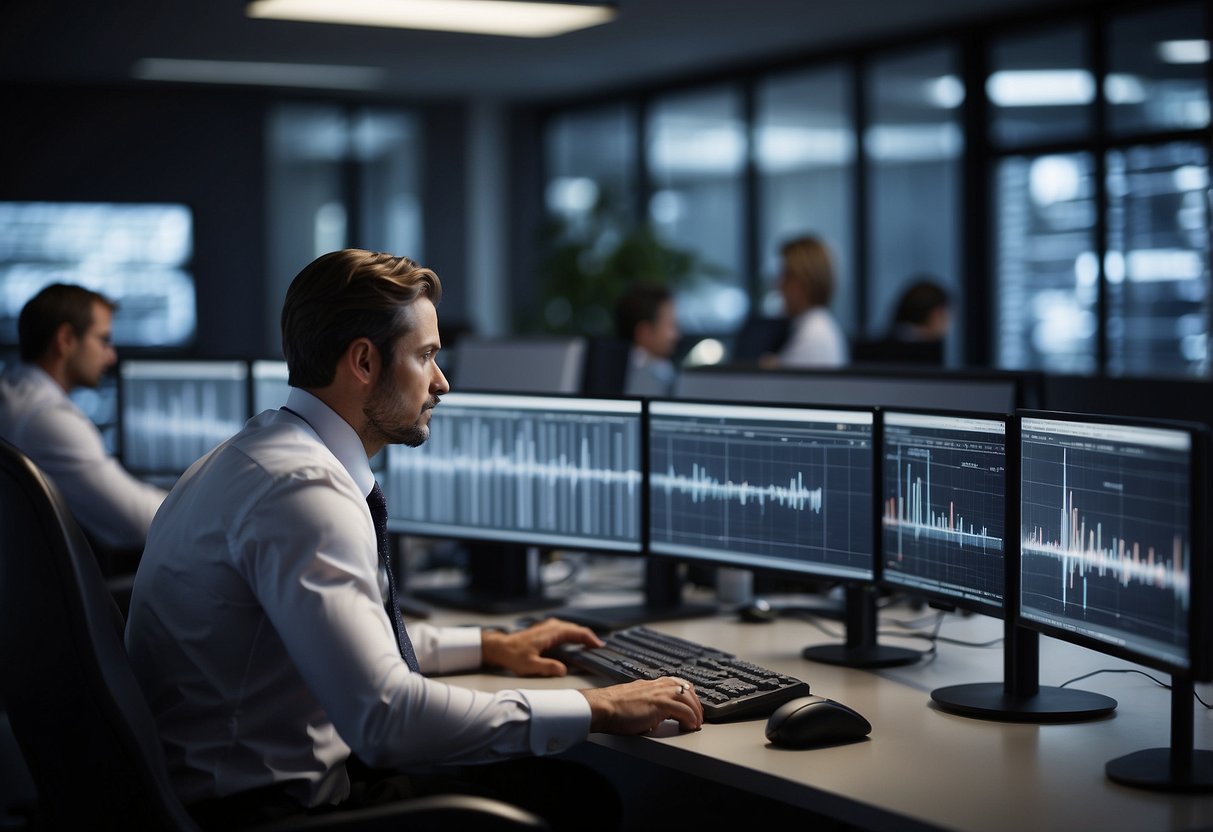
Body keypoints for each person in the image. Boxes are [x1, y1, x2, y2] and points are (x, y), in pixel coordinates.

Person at [124, 249, 703, 829]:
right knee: (577, 801)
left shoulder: (251, 456)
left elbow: (340, 638)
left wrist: (488, 644)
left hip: (219, 796)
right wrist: (596, 705)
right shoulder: (303, 493)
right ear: (364, 362)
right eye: (426, 356)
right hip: (263, 815)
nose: (442, 383)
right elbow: (386, 721)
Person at [0, 283, 166, 553]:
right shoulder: (47, 419)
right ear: (65, 339)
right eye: (103, 340)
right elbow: (143, 521)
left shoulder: (13, 393)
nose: (111, 356)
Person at [770, 235, 848, 368]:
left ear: (806, 280)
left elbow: (783, 386)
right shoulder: (814, 326)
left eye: (787, 276)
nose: (778, 285)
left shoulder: (815, 334)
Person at [614, 283, 680, 396]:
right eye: (670, 325)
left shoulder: (611, 370)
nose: (677, 335)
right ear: (645, 333)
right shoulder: (651, 377)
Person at [890, 277, 951, 343]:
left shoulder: (891, 340)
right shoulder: (927, 348)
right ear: (936, 314)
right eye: (946, 314)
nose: (948, 324)